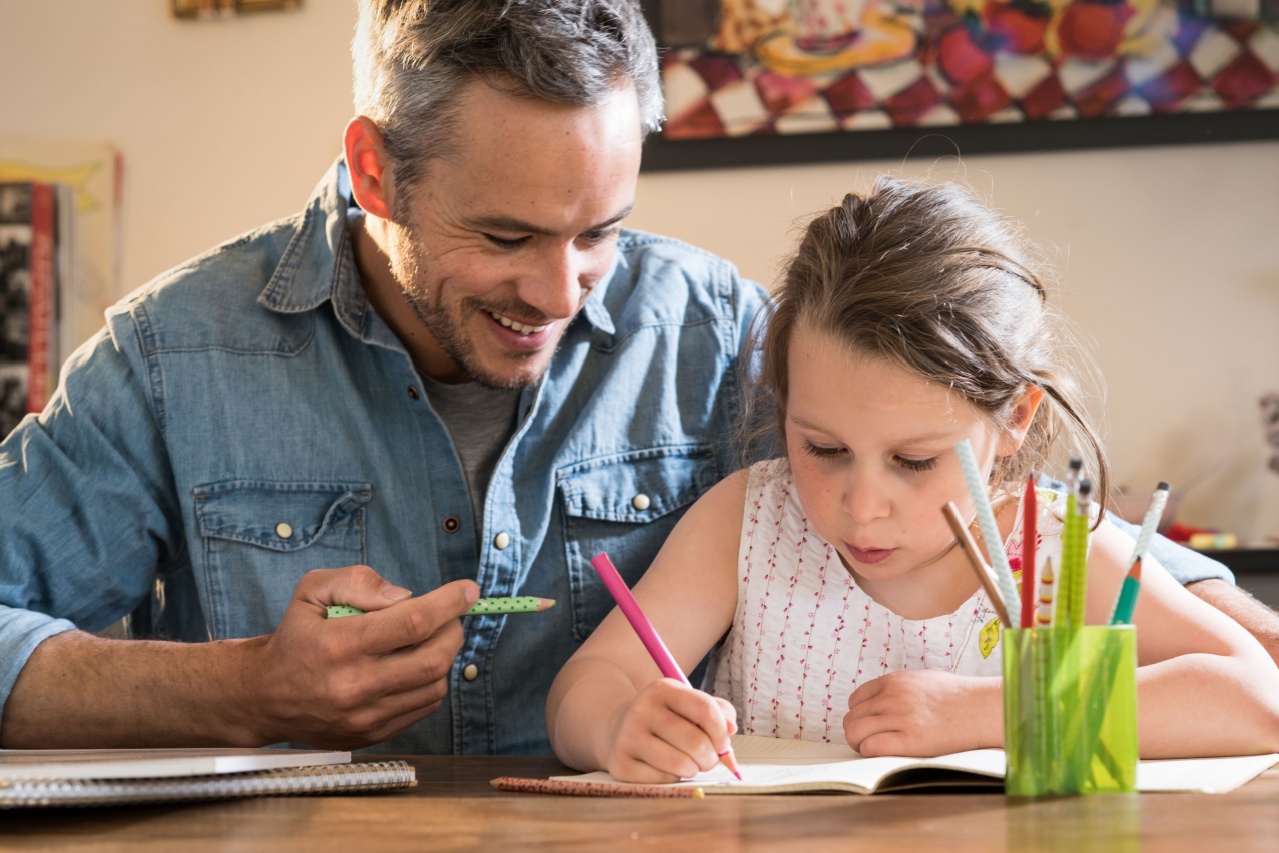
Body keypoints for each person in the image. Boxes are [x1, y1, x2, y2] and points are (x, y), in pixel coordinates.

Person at [0, 0, 1267, 755]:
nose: (561, 295)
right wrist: (240, 690)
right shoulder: (174, 355)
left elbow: (943, 459)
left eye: (599, 232)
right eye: (504, 238)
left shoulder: (719, 331)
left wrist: (1192, 611)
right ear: (375, 173)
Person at [545, 178, 1279, 781]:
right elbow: (587, 685)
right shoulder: (746, 520)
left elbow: (1256, 697)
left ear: (1015, 417)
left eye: (916, 460)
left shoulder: (1054, 549)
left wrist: (989, 712)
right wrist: (618, 725)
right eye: (822, 447)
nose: (861, 508)